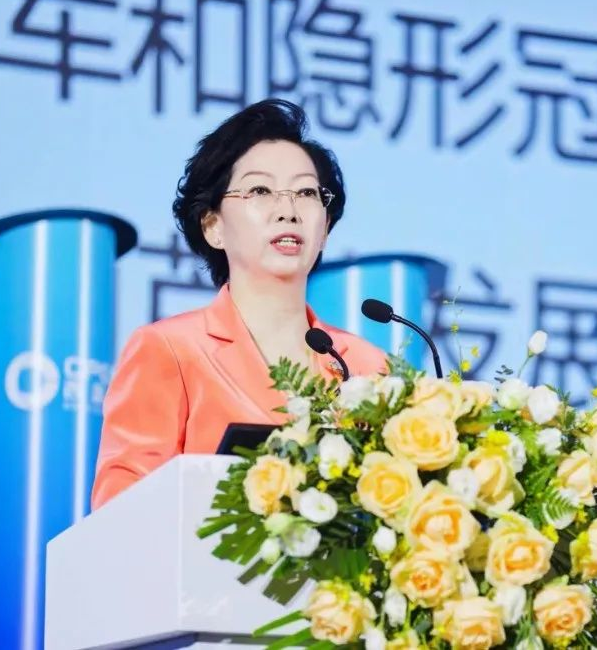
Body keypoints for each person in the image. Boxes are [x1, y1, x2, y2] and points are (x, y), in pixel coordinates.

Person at [91, 99, 387, 509]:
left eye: (306, 192)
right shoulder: (170, 351)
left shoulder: (369, 367)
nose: (288, 211)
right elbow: (121, 510)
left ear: (325, 230)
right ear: (212, 226)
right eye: (260, 191)